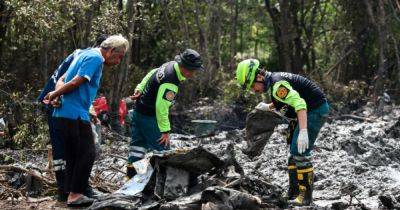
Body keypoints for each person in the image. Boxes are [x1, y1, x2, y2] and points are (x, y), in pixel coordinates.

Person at [44, 35, 128, 207]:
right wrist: (54, 95)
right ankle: (75, 195)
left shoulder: (84, 54)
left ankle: (71, 194)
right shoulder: (96, 58)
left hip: (66, 112)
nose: (119, 61)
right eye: (119, 56)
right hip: (74, 113)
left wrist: (57, 95)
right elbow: (76, 81)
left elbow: (62, 79)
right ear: (111, 50)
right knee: (88, 152)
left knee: (74, 154)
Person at [235, 59, 329, 206]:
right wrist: (269, 106)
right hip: (303, 112)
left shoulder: (278, 84)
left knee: (300, 151)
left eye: (253, 86)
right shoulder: (274, 82)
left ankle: (306, 198)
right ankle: (294, 192)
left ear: (259, 77)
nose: (254, 91)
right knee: (292, 153)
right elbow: (284, 100)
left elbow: (299, 103)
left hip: (314, 110)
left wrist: (303, 131)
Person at [37, 34, 108, 202]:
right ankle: (66, 189)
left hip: (61, 99)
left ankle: (74, 189)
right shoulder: (91, 56)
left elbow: (79, 89)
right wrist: (56, 96)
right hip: (56, 101)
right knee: (68, 150)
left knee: (75, 149)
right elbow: (69, 81)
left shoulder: (82, 54)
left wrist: (88, 111)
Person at [126, 49, 204, 178]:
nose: (194, 74)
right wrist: (165, 130)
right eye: (194, 70)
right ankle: (160, 183)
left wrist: (140, 87)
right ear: (186, 68)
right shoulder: (171, 82)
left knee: (138, 147)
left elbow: (152, 72)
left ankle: (132, 179)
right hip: (150, 117)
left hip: (139, 111)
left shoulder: (171, 64)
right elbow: (161, 107)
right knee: (163, 152)